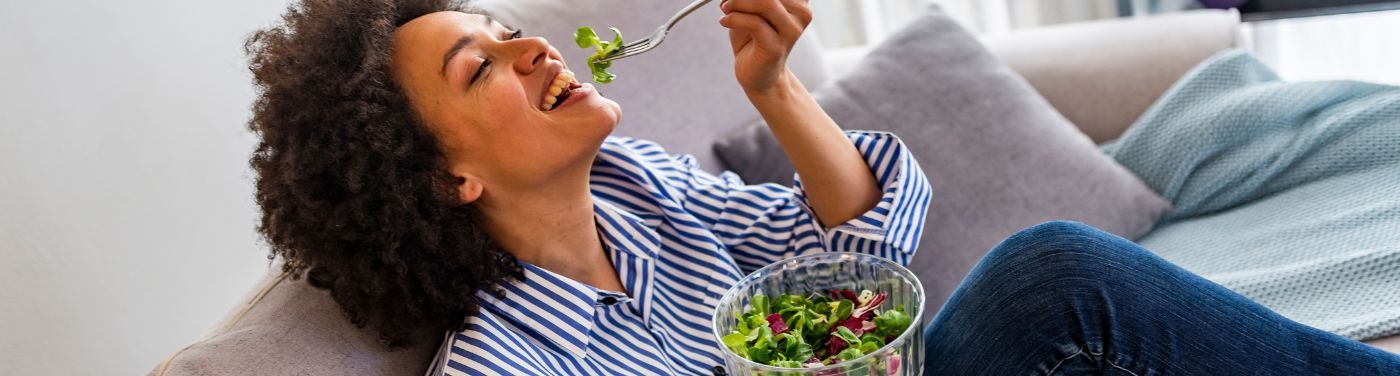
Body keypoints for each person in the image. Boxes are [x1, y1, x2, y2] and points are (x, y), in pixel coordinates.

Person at [242, 0, 1400, 375]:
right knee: (1047, 277)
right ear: (444, 175)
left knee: (1053, 280)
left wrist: (775, 86)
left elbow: (865, 249)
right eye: (479, 67)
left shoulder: (639, 189)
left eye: (504, 27)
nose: (529, 47)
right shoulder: (505, 365)